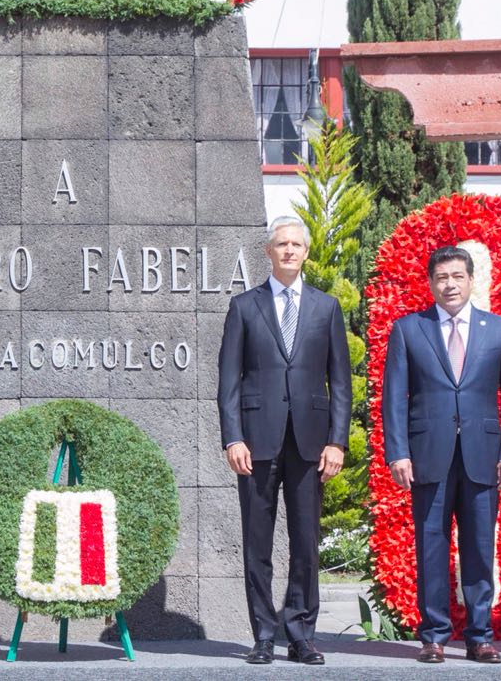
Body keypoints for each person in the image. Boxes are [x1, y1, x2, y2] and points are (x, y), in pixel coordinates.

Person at [217, 216, 351, 665]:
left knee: (305, 542)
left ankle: (300, 635)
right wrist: (232, 437)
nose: (289, 250)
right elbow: (228, 383)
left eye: (296, 244)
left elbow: (341, 382)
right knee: (257, 543)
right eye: (282, 244)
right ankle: (261, 634)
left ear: (306, 252)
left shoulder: (326, 307)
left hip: (311, 443)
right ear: (267, 251)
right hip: (256, 443)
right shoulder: (243, 307)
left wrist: (338, 442)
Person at [381, 246, 501, 664]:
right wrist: (398, 453)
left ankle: (480, 635)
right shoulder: (409, 329)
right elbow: (394, 398)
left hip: (483, 453)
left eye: (457, 276)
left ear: (470, 279)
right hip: (428, 454)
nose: (449, 284)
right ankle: (434, 635)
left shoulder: (498, 330)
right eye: (441, 277)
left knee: (480, 546)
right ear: (430, 283)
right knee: (431, 544)